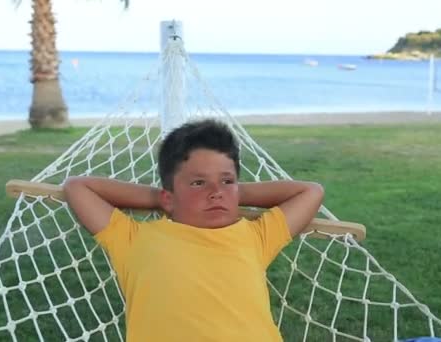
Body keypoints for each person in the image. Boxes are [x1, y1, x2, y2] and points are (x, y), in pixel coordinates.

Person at [64, 119, 324, 341]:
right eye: (198, 182)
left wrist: (232, 193)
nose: (215, 193)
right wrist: (162, 198)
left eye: (227, 180)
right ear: (169, 197)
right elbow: (78, 187)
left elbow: (310, 192)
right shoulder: (133, 239)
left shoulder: (256, 235)